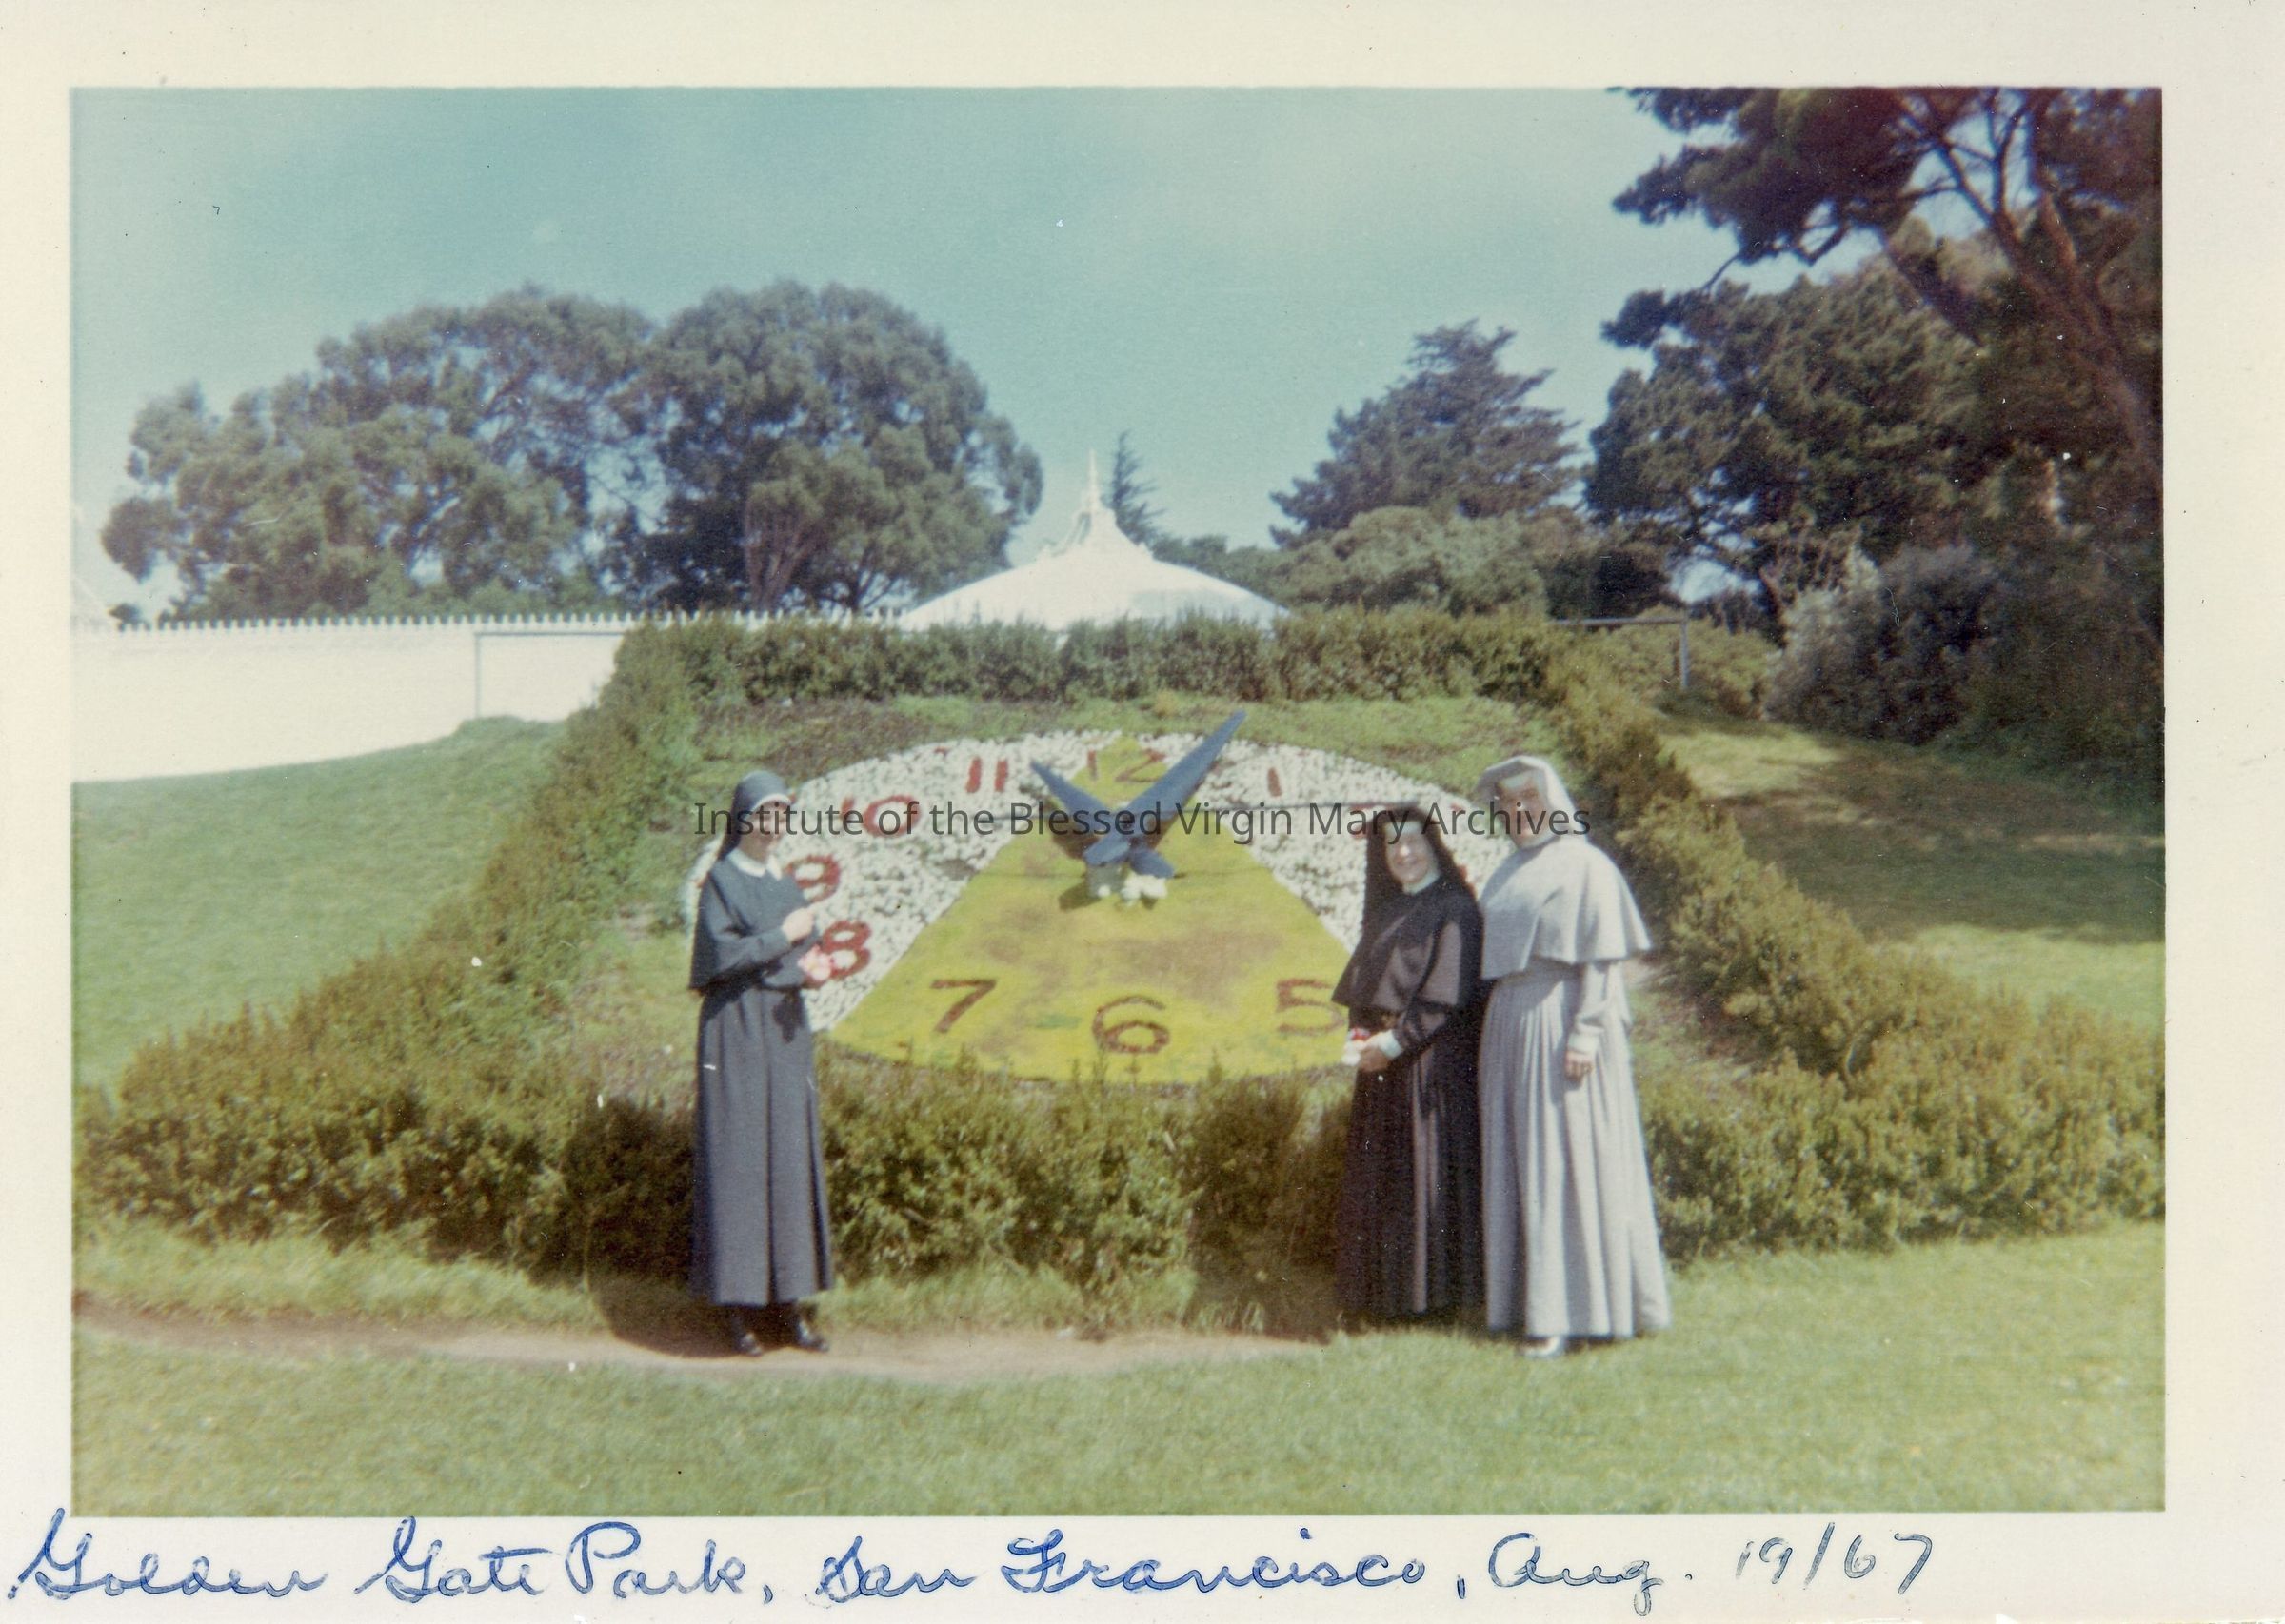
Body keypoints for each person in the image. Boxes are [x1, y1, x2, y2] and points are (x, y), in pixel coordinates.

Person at [1473, 755, 1670, 1357]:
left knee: (1560, 1163)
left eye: (1529, 801)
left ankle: (1563, 1313)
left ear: (1552, 801)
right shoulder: (1506, 873)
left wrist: (1586, 1030)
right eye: (1508, 805)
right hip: (1509, 1024)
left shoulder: (1587, 866)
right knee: (1521, 1161)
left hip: (1561, 1025)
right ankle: (1526, 1303)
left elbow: (1602, 960)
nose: (1518, 813)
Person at [688, 768, 836, 1357]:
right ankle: (738, 1310)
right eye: (766, 816)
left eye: (782, 816)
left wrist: (814, 968)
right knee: (741, 1162)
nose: (775, 827)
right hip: (738, 1031)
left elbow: (804, 948)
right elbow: (719, 959)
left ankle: (790, 1307)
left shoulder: (785, 883)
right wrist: (783, 938)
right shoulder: (722, 881)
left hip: (785, 1034)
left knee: (788, 1161)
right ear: (744, 820)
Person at [1329, 805, 1485, 1324]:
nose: (1403, 853)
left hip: (1427, 1066)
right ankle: (1382, 1297)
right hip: (1383, 1065)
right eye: (1392, 844)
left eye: (1413, 841)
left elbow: (1446, 997)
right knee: (1385, 1179)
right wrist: (1360, 1037)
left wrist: (1395, 1043)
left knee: (1421, 1176)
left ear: (1433, 845)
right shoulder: (1388, 909)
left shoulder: (1456, 909)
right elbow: (1365, 988)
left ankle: (1426, 1301)